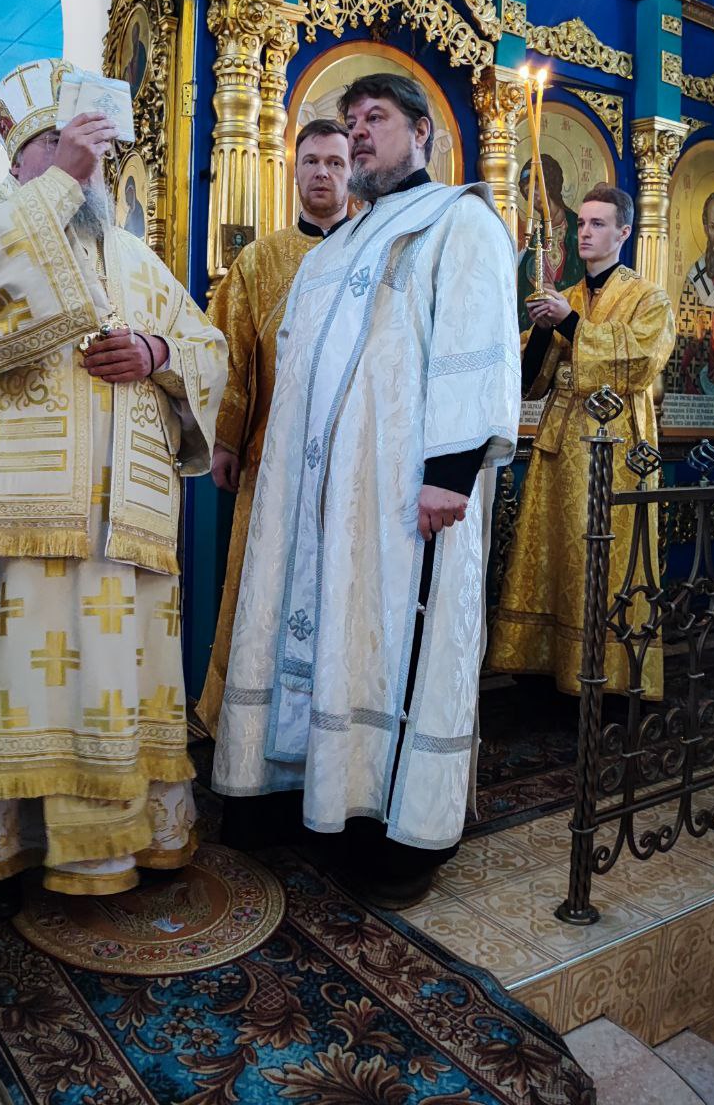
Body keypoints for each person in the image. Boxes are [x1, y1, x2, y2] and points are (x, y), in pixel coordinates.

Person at [212, 73, 521, 907]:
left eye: (374, 118)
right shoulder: (338, 245)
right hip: (321, 498)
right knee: (328, 638)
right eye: (349, 120)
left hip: (403, 495)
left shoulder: (457, 220)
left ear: (422, 133)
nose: (356, 134)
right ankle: (309, 795)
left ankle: (394, 836)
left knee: (394, 647)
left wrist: (448, 475)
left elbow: (476, 346)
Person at [0, 57, 226, 917]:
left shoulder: (134, 258)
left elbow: (208, 348)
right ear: (22, 158)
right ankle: (6, 847)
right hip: (28, 518)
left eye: (88, 147)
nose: (83, 160)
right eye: (58, 146)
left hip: (126, 525)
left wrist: (158, 354)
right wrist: (59, 183)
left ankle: (134, 840)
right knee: (23, 686)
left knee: (118, 686)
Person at [487, 185, 675, 699]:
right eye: (582, 223)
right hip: (559, 447)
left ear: (623, 232)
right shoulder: (565, 296)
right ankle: (547, 673)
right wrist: (541, 329)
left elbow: (640, 361)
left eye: (598, 224)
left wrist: (569, 324)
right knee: (555, 558)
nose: (585, 232)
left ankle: (607, 680)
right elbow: (532, 381)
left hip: (616, 452)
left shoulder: (648, 298)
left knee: (606, 561)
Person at [196, 118, 352, 736]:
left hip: (350, 462)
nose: (322, 174)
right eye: (311, 161)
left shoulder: (371, 252)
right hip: (272, 461)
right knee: (264, 588)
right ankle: (249, 724)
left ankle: (336, 727)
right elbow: (230, 354)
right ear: (294, 171)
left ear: (352, 173)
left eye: (335, 163)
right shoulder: (259, 260)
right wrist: (226, 441)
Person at [668, 191, 714, 396]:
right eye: (712, 227)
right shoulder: (694, 277)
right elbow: (681, 340)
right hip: (695, 380)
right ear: (704, 227)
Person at [516, 153, 583, 332]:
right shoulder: (536, 234)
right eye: (527, 194)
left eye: (535, 189)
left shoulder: (575, 228)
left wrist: (555, 291)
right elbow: (524, 286)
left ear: (550, 185)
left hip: (570, 320)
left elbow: (581, 275)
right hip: (538, 325)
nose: (533, 198)